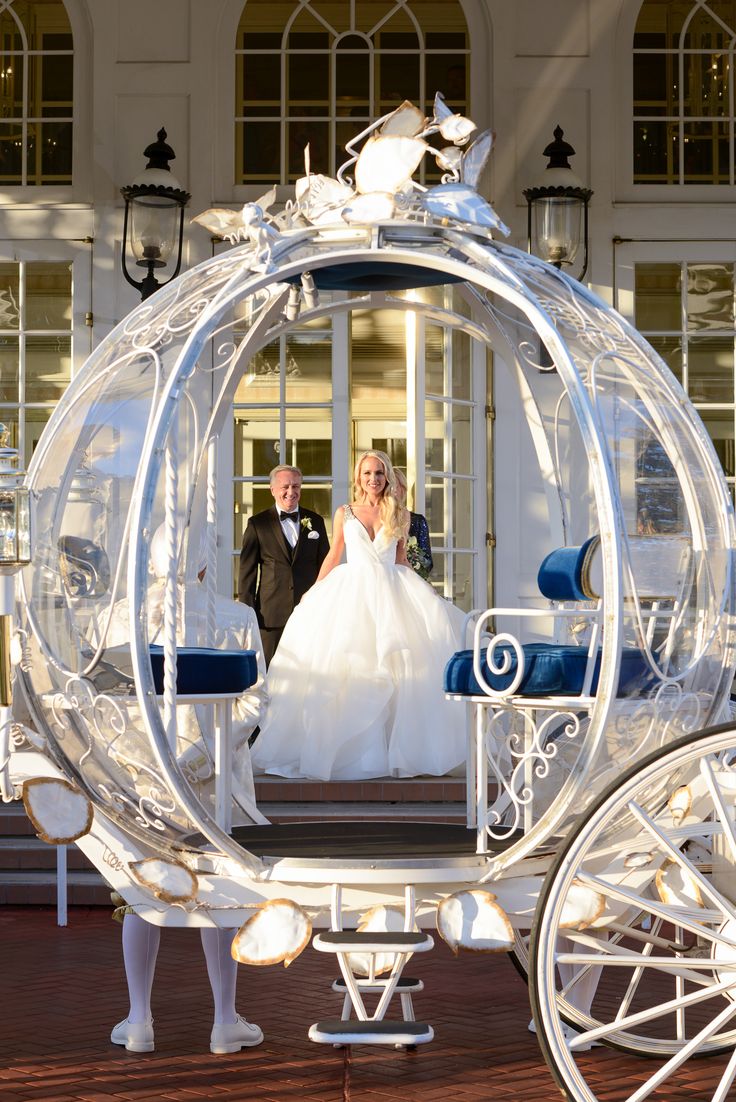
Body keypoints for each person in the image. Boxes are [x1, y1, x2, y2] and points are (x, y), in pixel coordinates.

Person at [107, 523, 267, 1054]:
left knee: (139, 891)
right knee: (219, 893)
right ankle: (224, 1020)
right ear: (204, 562)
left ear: (150, 561)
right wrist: (207, 756)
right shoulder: (238, 618)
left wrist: (155, 761)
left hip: (146, 778)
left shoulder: (121, 616)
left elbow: (112, 704)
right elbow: (255, 701)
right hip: (217, 780)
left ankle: (139, 1020)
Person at [251, 450, 466, 781]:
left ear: (386, 476)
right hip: (351, 592)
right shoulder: (344, 513)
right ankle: (348, 755)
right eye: (367, 473)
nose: (373, 479)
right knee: (347, 666)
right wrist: (314, 591)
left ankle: (394, 753)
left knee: (398, 670)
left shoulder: (401, 514)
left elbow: (401, 560)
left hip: (392, 592)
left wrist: (429, 593)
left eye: (378, 473)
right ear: (358, 477)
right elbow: (334, 555)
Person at [238, 465, 330, 666]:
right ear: (272, 490)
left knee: (309, 673)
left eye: (296, 486)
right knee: (268, 673)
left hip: (309, 613)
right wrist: (247, 617)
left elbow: (326, 567)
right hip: (270, 616)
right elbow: (247, 576)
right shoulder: (257, 524)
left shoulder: (316, 521)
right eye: (285, 486)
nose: (291, 492)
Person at [394, 468, 433, 580]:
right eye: (387, 486)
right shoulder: (377, 520)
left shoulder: (417, 521)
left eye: (394, 486)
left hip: (409, 579)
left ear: (403, 489)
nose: (390, 491)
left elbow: (427, 562)